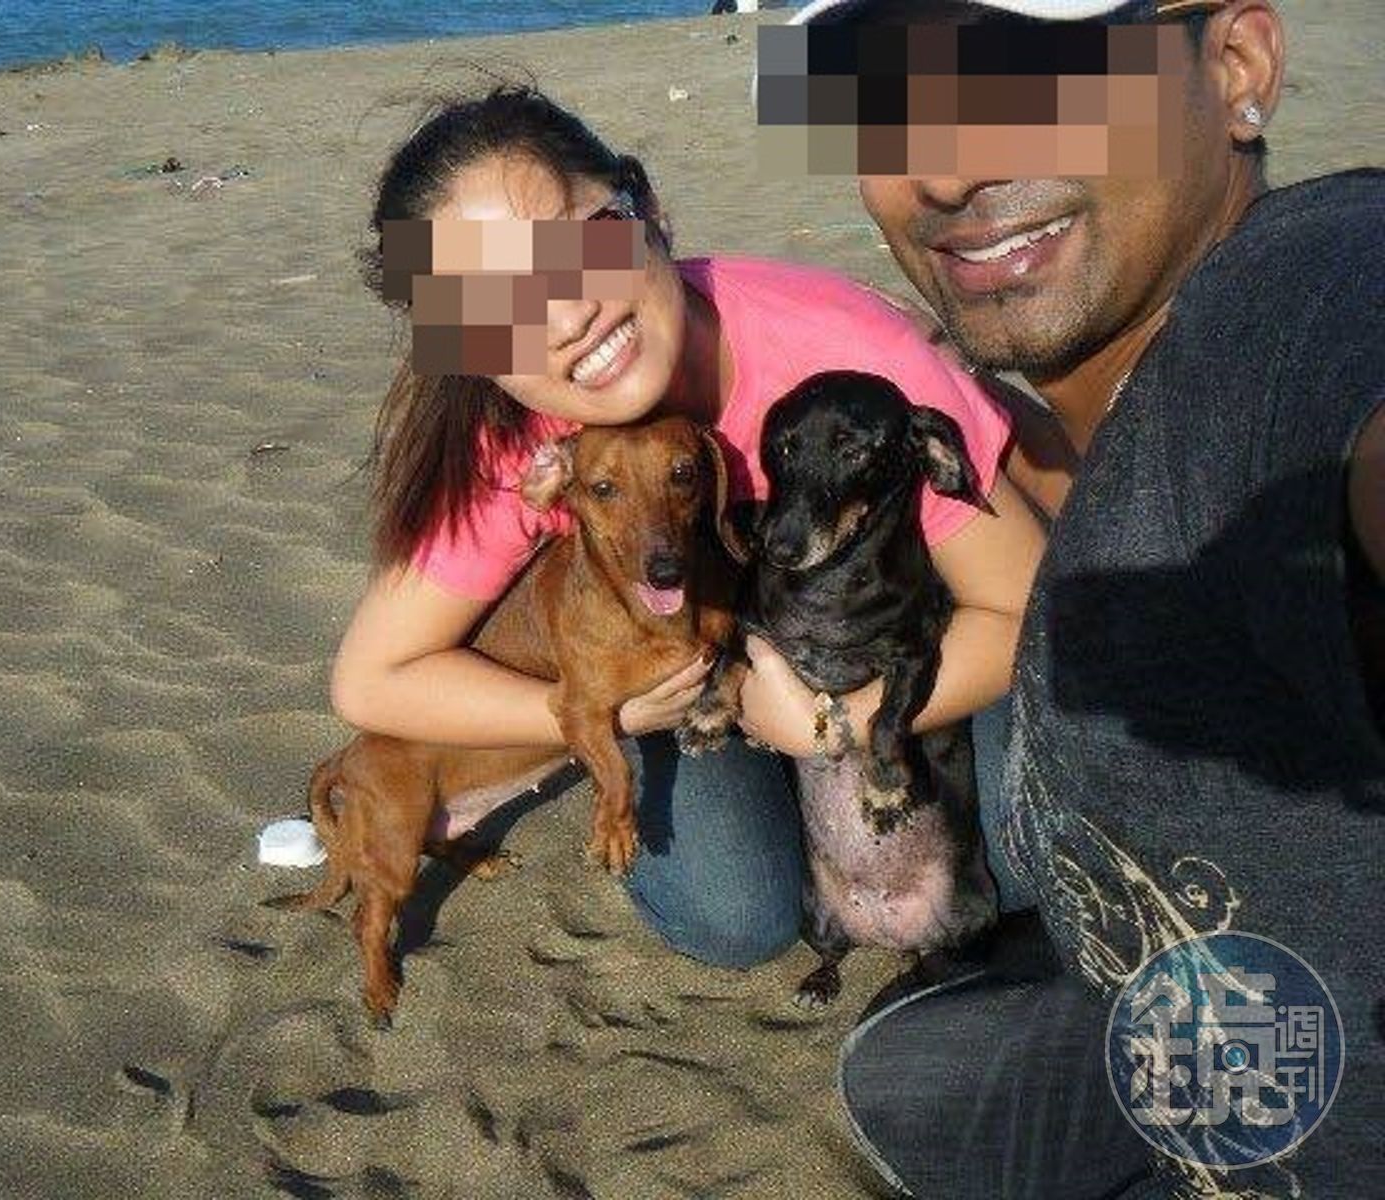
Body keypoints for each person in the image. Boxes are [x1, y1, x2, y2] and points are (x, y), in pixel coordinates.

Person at [770, 0, 1384, 1195]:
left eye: (1025, 67)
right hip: (1192, 1039)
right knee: (906, 1078)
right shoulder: (1087, 428)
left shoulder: (1297, 310)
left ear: (1235, 65)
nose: (945, 168)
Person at [330, 85, 1047, 971]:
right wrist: (607, 712)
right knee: (733, 918)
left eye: (580, 247)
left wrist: (834, 724)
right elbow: (372, 680)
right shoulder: (516, 439)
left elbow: (1022, 606)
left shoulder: (845, 357)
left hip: (880, 645)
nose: (565, 319)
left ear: (648, 209)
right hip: (701, 682)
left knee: (1030, 859)